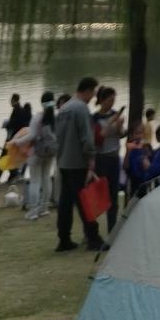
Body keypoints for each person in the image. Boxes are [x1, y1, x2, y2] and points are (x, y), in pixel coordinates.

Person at [54, 76, 103, 253]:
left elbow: (57, 137)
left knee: (65, 202)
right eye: (93, 93)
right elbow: (87, 139)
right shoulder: (81, 109)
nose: (93, 97)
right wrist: (91, 160)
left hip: (63, 162)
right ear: (88, 90)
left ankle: (64, 238)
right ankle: (93, 238)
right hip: (77, 162)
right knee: (85, 201)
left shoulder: (64, 108)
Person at [92, 87, 125, 236]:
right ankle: (93, 232)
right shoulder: (95, 118)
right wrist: (112, 122)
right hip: (101, 159)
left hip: (114, 157)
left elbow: (120, 135)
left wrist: (119, 128)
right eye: (110, 100)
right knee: (99, 196)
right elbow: (98, 139)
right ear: (102, 100)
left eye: (114, 100)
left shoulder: (115, 114)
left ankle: (112, 231)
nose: (112, 103)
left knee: (113, 195)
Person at [24, 97, 58, 221]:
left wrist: (17, 141)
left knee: (35, 181)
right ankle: (44, 208)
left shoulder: (37, 117)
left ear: (41, 103)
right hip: (50, 153)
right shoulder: (55, 117)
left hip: (37, 153)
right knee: (46, 178)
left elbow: (31, 135)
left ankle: (33, 211)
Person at [0, 94, 31, 184]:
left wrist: (7, 124)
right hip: (17, 140)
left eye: (11, 100)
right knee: (8, 159)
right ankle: (8, 177)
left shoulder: (16, 110)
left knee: (2, 159)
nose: (10, 102)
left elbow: (14, 125)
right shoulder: (21, 110)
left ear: (13, 100)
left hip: (12, 140)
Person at [123, 129, 153, 200]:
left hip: (144, 183)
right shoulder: (130, 149)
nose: (138, 136)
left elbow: (150, 168)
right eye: (136, 133)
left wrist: (148, 159)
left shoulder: (146, 147)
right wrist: (127, 152)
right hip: (133, 183)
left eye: (140, 133)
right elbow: (125, 167)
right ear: (132, 135)